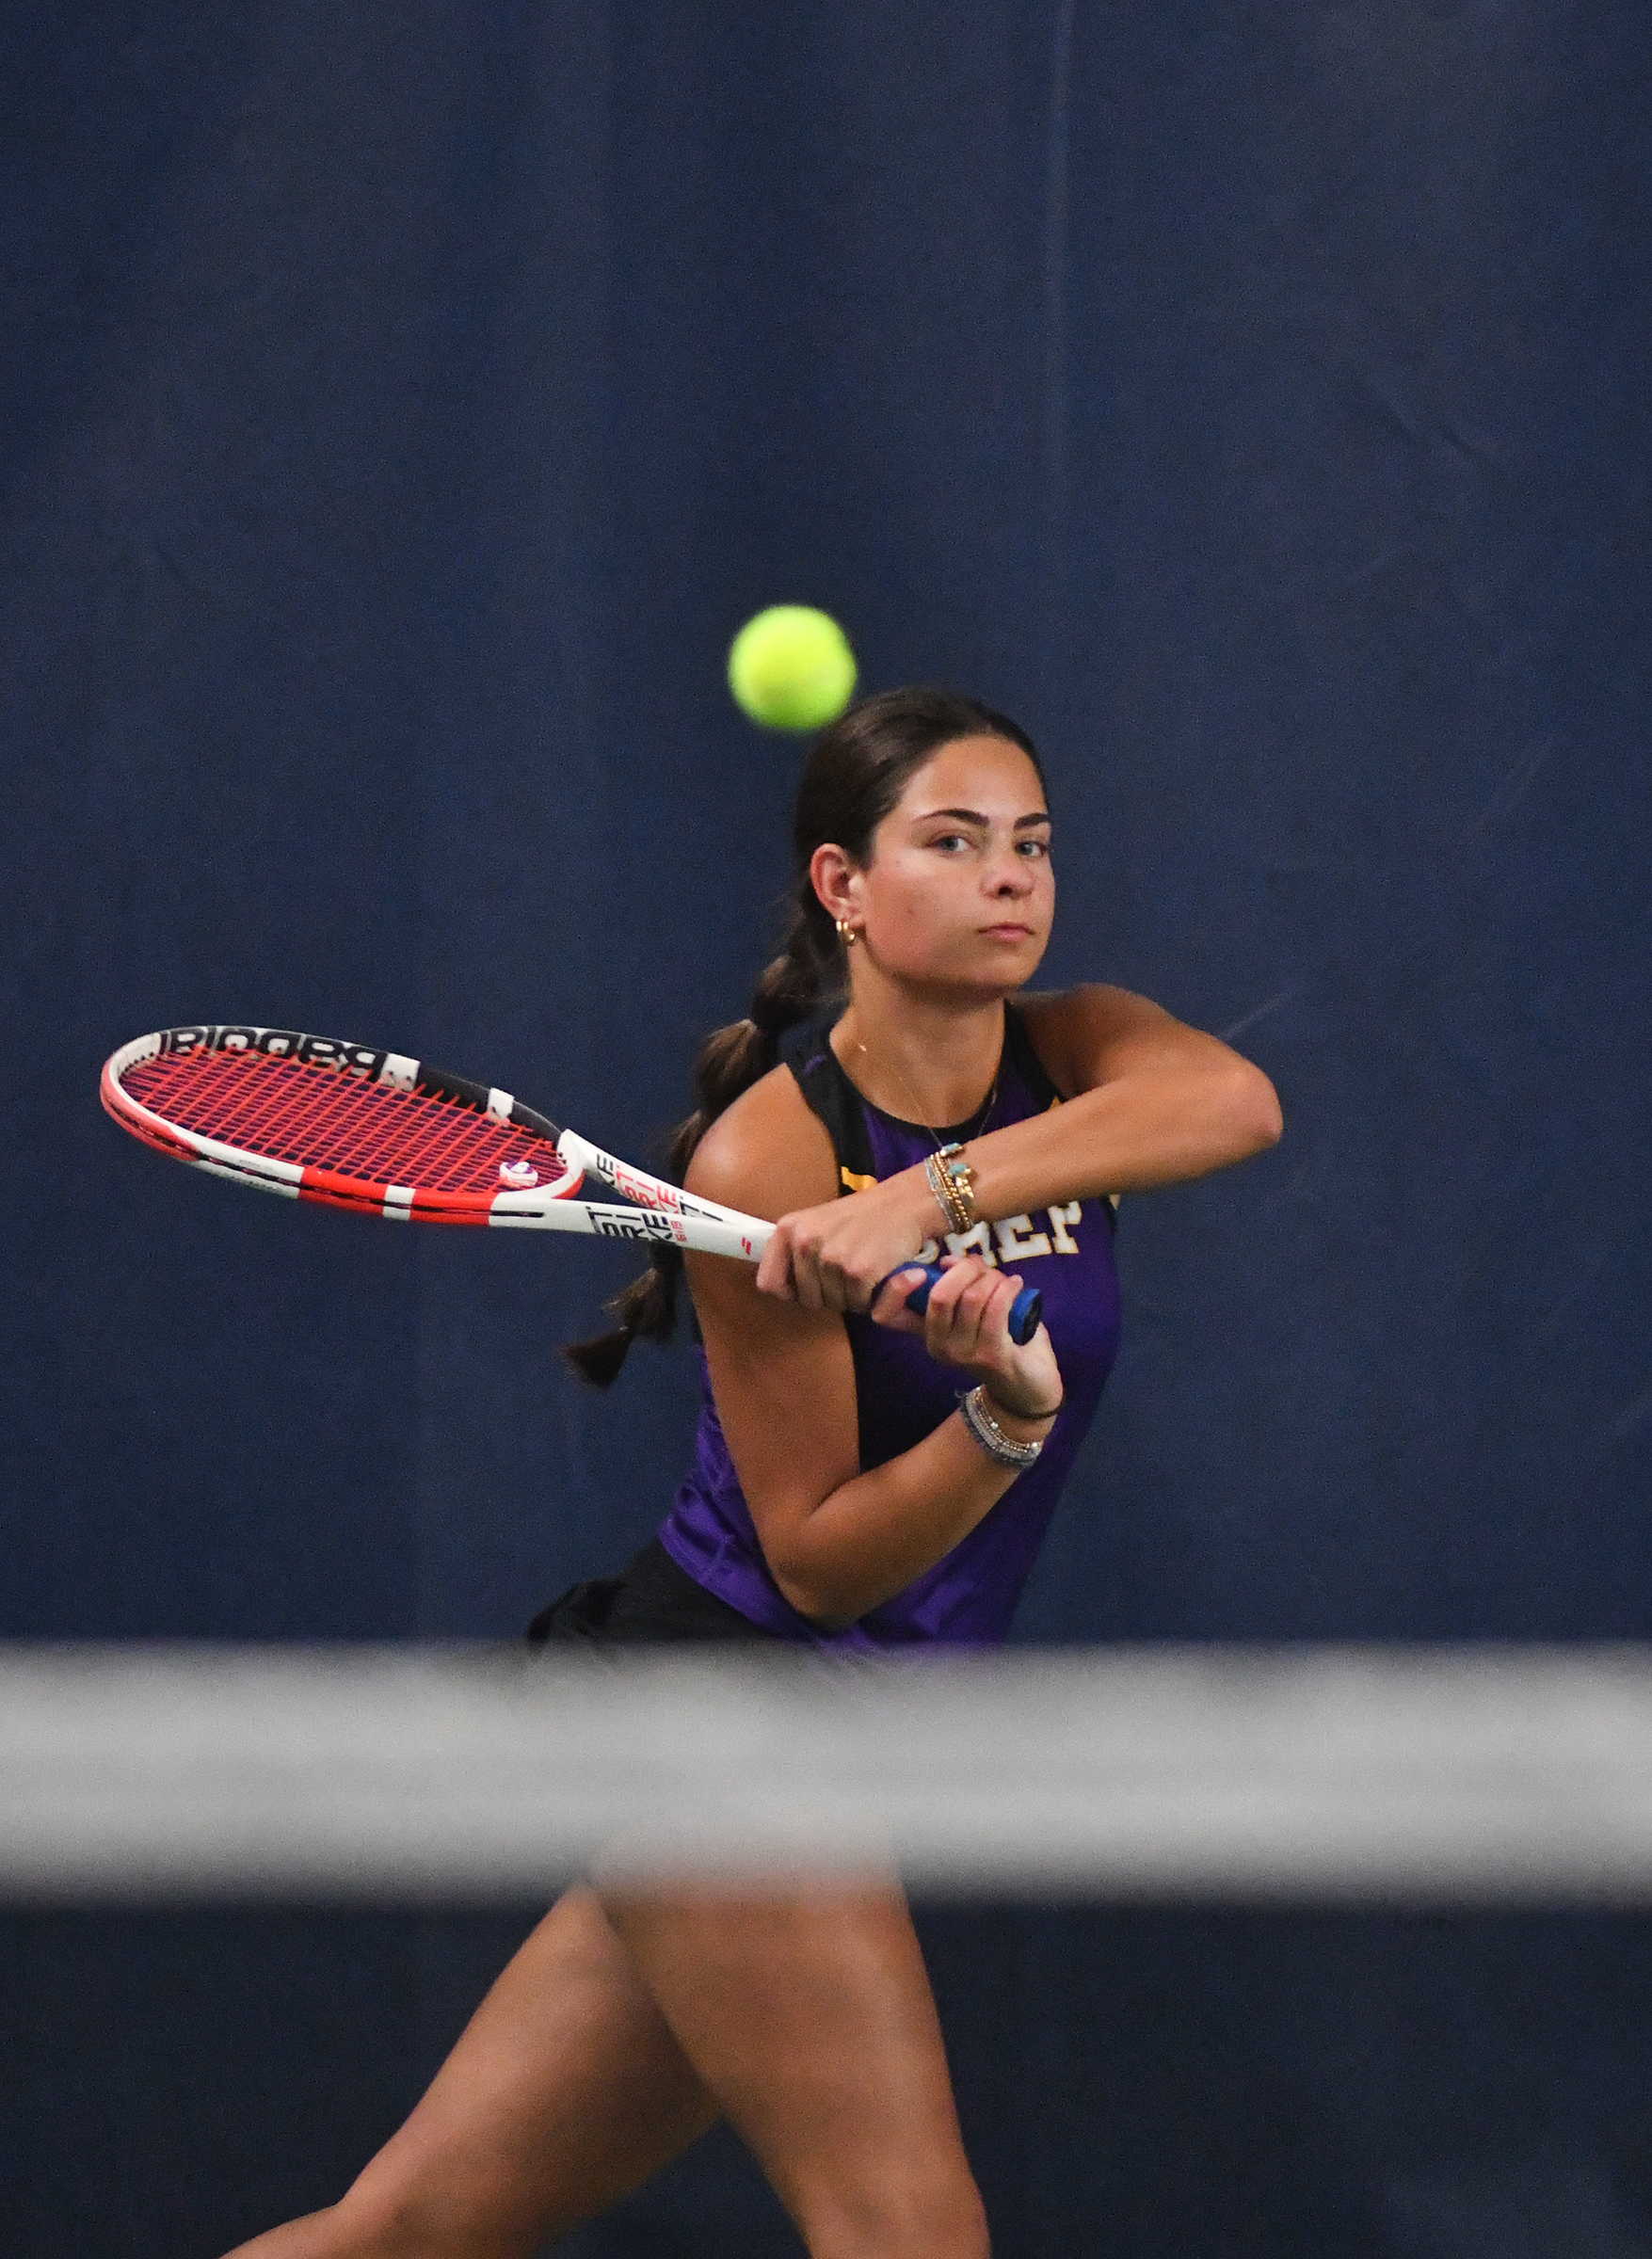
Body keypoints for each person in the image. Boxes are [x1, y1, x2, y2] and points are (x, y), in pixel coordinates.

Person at [226, 688, 1281, 2259]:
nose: (1011, 876)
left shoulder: (1078, 1053)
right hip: (724, 1719)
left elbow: (1234, 1103)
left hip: (859, 1738)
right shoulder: (765, 1161)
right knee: (911, 2236)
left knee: (411, 2231)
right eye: (954, 841)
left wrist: (923, 1201)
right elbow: (818, 1565)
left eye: (1033, 843)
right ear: (842, 886)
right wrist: (1001, 1420)